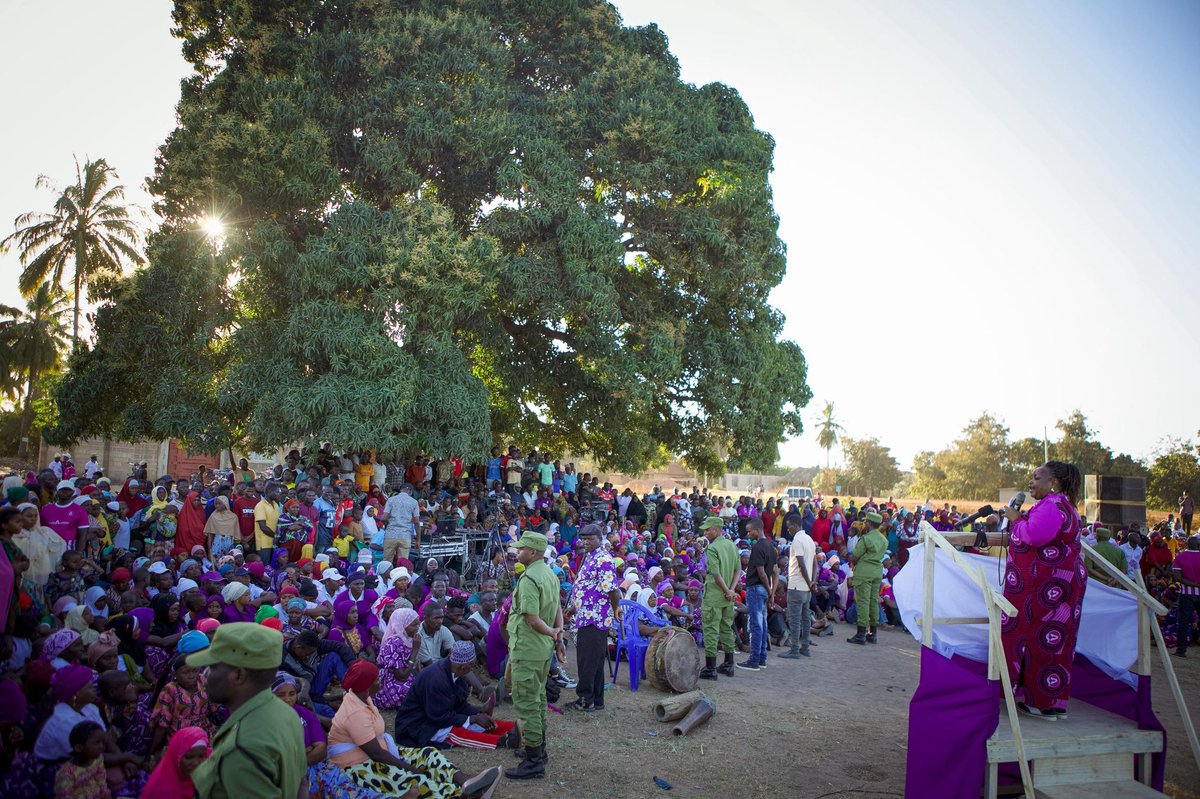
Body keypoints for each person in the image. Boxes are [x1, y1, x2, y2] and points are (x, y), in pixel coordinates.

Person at [327, 659, 502, 798]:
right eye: (377, 680)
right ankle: (461, 795)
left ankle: (465, 782)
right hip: (358, 766)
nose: (380, 682)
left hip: (380, 751)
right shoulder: (354, 713)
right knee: (413, 780)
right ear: (366, 686)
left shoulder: (363, 697)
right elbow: (376, 755)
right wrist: (408, 768)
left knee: (428, 754)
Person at [1000, 461, 1086, 721]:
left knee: (1039, 639)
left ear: (1054, 483)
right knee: (1057, 640)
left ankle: (1040, 702)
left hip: (1047, 587)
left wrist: (1015, 520)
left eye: (1037, 478)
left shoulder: (1051, 505)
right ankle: (1053, 702)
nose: (1031, 482)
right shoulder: (1066, 508)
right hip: (1062, 583)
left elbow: (1035, 536)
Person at [187, 622, 307, 799]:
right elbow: (301, 784)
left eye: (212, 667)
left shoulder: (243, 749)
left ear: (238, 675)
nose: (204, 675)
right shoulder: (286, 713)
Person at [505, 530, 562, 780]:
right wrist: (557, 634)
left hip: (528, 649)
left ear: (533, 552)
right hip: (541, 651)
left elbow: (532, 618)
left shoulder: (529, 579)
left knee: (527, 703)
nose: (518, 552)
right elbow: (558, 607)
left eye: (522, 548)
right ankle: (538, 749)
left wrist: (551, 632)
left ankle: (534, 761)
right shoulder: (550, 574)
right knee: (537, 699)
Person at [394, 641, 517, 750]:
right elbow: (438, 717)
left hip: (437, 718)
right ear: (464, 667)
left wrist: (476, 713)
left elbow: (459, 706)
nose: (472, 669)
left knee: (479, 724)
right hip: (417, 725)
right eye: (472, 665)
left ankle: (515, 729)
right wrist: (472, 718)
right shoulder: (436, 679)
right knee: (456, 733)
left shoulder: (455, 672)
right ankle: (502, 742)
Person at [565, 523, 618, 712]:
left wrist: (615, 610)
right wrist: (574, 607)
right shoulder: (590, 556)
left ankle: (584, 700)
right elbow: (588, 587)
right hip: (586, 613)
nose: (585, 542)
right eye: (583, 539)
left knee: (587, 661)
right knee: (594, 661)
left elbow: (612, 590)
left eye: (590, 539)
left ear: (600, 539)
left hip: (595, 617)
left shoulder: (603, 558)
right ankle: (597, 700)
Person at [698, 516, 738, 680]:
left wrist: (726, 590)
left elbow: (715, 574)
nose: (705, 533)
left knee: (710, 630)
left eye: (708, 530)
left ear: (716, 529)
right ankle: (729, 665)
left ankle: (710, 668)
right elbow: (737, 570)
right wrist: (731, 590)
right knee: (726, 629)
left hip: (715, 596)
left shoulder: (712, 548)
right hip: (727, 597)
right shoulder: (731, 545)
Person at [737, 517, 777, 671]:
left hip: (756, 588)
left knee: (755, 625)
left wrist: (768, 589)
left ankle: (754, 660)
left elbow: (762, 573)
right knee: (762, 624)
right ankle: (761, 659)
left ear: (756, 530)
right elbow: (775, 572)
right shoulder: (770, 546)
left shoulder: (758, 547)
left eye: (749, 532)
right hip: (764, 590)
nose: (748, 535)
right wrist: (771, 592)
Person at [847, 512, 887, 645]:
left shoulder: (866, 538)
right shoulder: (883, 540)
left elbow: (855, 555)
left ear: (869, 523)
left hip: (864, 572)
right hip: (877, 572)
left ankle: (861, 634)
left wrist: (849, 558)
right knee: (873, 601)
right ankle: (873, 634)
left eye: (866, 522)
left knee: (863, 602)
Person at [781, 516, 816, 658]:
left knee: (794, 619)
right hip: (806, 589)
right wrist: (812, 582)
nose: (788, 530)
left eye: (789, 527)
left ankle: (794, 649)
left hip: (797, 586)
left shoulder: (797, 540)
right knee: (806, 618)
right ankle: (805, 647)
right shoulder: (809, 539)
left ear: (796, 525)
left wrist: (809, 582)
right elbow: (815, 564)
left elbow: (801, 564)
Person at [142, 726, 210, 799]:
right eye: (189, 757)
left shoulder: (207, 780)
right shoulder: (161, 791)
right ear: (176, 757)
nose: (196, 763)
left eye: (201, 756)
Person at [53, 720, 109, 799]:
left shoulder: (98, 760)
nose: (102, 746)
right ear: (79, 748)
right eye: (97, 743)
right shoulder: (66, 774)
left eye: (103, 742)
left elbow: (102, 785)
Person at [1172, 535, 1200, 658]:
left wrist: (1194, 584)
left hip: (1186, 594)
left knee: (1183, 622)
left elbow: (1178, 578)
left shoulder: (1180, 558)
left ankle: (1181, 650)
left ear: (1186, 544)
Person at [381, 484, 420, 564]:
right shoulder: (414, 502)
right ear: (410, 492)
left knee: (386, 562)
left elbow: (384, 518)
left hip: (390, 534)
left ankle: (385, 576)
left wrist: (387, 525)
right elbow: (416, 522)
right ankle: (401, 575)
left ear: (400, 490)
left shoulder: (391, 500)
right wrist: (418, 540)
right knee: (403, 562)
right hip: (405, 536)